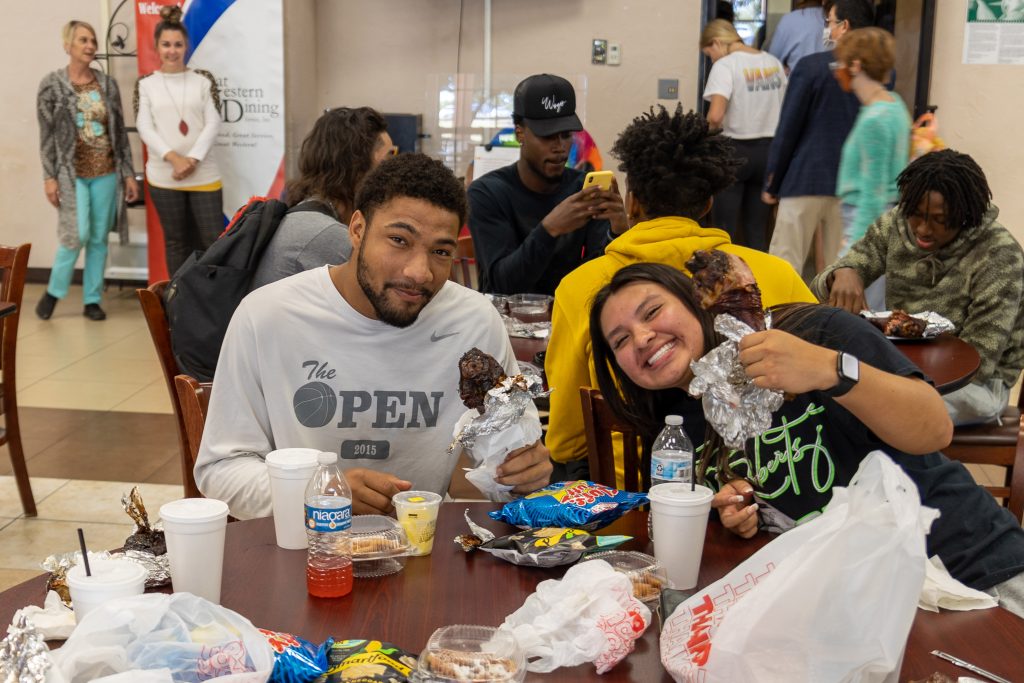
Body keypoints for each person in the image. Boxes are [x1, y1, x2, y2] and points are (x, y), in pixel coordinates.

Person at [590, 262, 1024, 616]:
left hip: (972, 566)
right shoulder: (679, 427)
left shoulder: (812, 332)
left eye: (651, 313)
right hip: (865, 607)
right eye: (621, 340)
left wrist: (830, 370)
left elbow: (933, 428)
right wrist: (737, 514)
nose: (643, 338)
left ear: (693, 301)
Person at [194, 154, 552, 520]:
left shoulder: (473, 322)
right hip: (306, 546)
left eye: (440, 252)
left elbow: (506, 458)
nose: (419, 272)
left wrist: (522, 471)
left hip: (420, 545)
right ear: (357, 229)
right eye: (399, 239)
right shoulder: (268, 316)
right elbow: (220, 470)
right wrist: (318, 491)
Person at [545, 105, 814, 480]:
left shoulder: (581, 287)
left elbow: (567, 439)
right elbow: (816, 386)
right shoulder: (771, 273)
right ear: (707, 205)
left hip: (634, 502)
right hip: (763, 487)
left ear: (632, 202)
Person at [811, 150, 1024, 427]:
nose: (923, 229)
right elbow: (823, 284)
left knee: (872, 412)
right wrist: (842, 273)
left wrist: (894, 381)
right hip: (901, 370)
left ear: (965, 214)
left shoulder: (999, 255)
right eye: (915, 215)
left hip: (974, 387)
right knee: (824, 395)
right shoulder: (896, 225)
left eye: (939, 220)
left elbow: (978, 363)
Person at [467, 73, 627, 295]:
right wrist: (549, 229)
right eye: (547, 136)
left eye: (565, 135)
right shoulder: (487, 193)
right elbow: (502, 285)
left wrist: (618, 233)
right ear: (520, 133)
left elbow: (600, 281)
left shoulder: (583, 189)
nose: (560, 146)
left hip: (567, 314)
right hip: (506, 322)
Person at [36, 20, 140, 322]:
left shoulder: (107, 84)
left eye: (93, 40)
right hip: (71, 175)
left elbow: (118, 131)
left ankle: (92, 299)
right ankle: (54, 291)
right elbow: (46, 136)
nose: (90, 46)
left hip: (106, 172)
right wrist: (49, 176)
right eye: (83, 40)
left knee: (97, 238)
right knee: (75, 234)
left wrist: (128, 173)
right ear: (67, 45)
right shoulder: (51, 85)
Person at [764, 0, 873, 278]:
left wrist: (773, 181)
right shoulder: (880, 72)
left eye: (831, 23)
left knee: (785, 263)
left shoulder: (811, 66)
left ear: (845, 26)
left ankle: (782, 318)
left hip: (805, 177)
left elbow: (789, 128)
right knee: (841, 269)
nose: (828, 29)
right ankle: (832, 319)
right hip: (851, 184)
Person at [251, 107, 394, 289]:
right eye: (388, 160)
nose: (392, 173)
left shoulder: (308, 211)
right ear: (357, 167)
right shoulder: (326, 235)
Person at [134, 5, 223, 277]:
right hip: (164, 176)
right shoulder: (146, 84)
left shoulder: (202, 80)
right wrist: (174, 158)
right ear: (157, 47)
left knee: (212, 242)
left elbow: (213, 122)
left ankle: (211, 301)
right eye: (166, 44)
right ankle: (179, 301)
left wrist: (192, 159)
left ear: (186, 46)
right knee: (176, 243)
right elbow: (144, 127)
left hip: (203, 173)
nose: (172, 50)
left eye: (177, 44)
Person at [701, 19, 787, 251]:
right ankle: (757, 282)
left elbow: (716, 115)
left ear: (717, 42)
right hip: (769, 153)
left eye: (710, 54)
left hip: (734, 152)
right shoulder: (773, 63)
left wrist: (705, 143)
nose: (712, 60)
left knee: (724, 230)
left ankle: (723, 283)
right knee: (757, 230)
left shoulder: (726, 65)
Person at [833, 27, 910, 255]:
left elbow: (873, 191)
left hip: (865, 218)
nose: (839, 70)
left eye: (842, 63)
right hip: (880, 217)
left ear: (856, 65)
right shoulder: (894, 104)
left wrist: (853, 253)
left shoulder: (874, 119)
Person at [766, 1, 827, 73]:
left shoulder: (789, 20)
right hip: (829, 81)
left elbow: (772, 59)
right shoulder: (833, 19)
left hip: (797, 79)